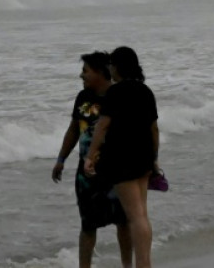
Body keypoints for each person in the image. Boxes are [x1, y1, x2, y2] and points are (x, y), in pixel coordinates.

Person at [52, 51, 132, 268]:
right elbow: (73, 130)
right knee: (88, 225)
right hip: (87, 175)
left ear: (99, 72)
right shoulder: (83, 97)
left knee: (123, 221)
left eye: (85, 71)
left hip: (117, 172)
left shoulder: (119, 96)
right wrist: (61, 159)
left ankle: (128, 265)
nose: (81, 75)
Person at [84, 46, 158, 268]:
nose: (110, 69)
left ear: (117, 66)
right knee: (142, 214)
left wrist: (90, 156)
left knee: (135, 216)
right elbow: (154, 128)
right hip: (144, 156)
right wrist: (154, 157)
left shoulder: (115, 92)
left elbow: (103, 127)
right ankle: (145, 262)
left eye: (111, 65)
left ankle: (142, 264)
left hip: (121, 160)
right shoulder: (146, 91)